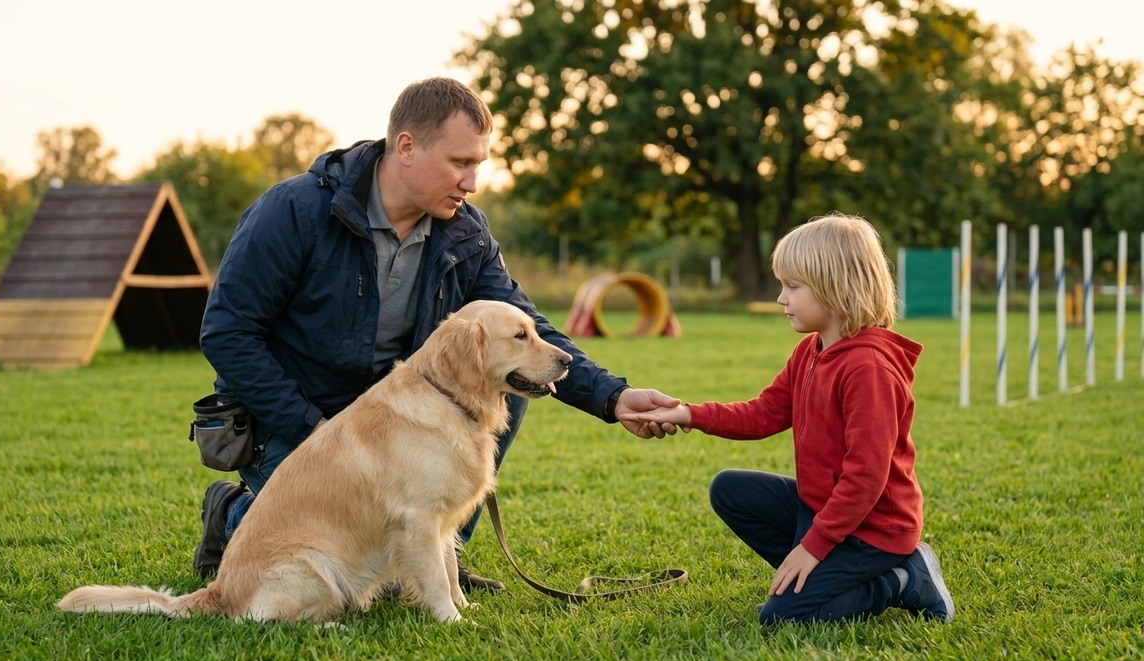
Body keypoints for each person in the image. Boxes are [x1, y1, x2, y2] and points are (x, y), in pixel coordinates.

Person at [194, 77, 677, 591]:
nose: (472, 182)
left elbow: (525, 330)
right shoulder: (294, 211)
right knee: (330, 553)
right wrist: (314, 427)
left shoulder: (466, 231)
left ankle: (444, 550)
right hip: (295, 424)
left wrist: (615, 397)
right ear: (406, 147)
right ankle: (234, 513)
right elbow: (227, 332)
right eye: (460, 163)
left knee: (508, 379)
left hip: (393, 427)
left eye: (478, 165)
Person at [622, 214, 954, 625]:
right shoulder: (810, 351)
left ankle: (903, 578)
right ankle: (823, 576)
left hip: (874, 530)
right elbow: (764, 413)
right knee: (729, 489)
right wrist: (689, 413)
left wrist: (813, 547)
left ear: (837, 288)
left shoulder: (869, 369)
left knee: (779, 618)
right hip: (823, 510)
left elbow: (866, 477)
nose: (781, 298)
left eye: (793, 287)